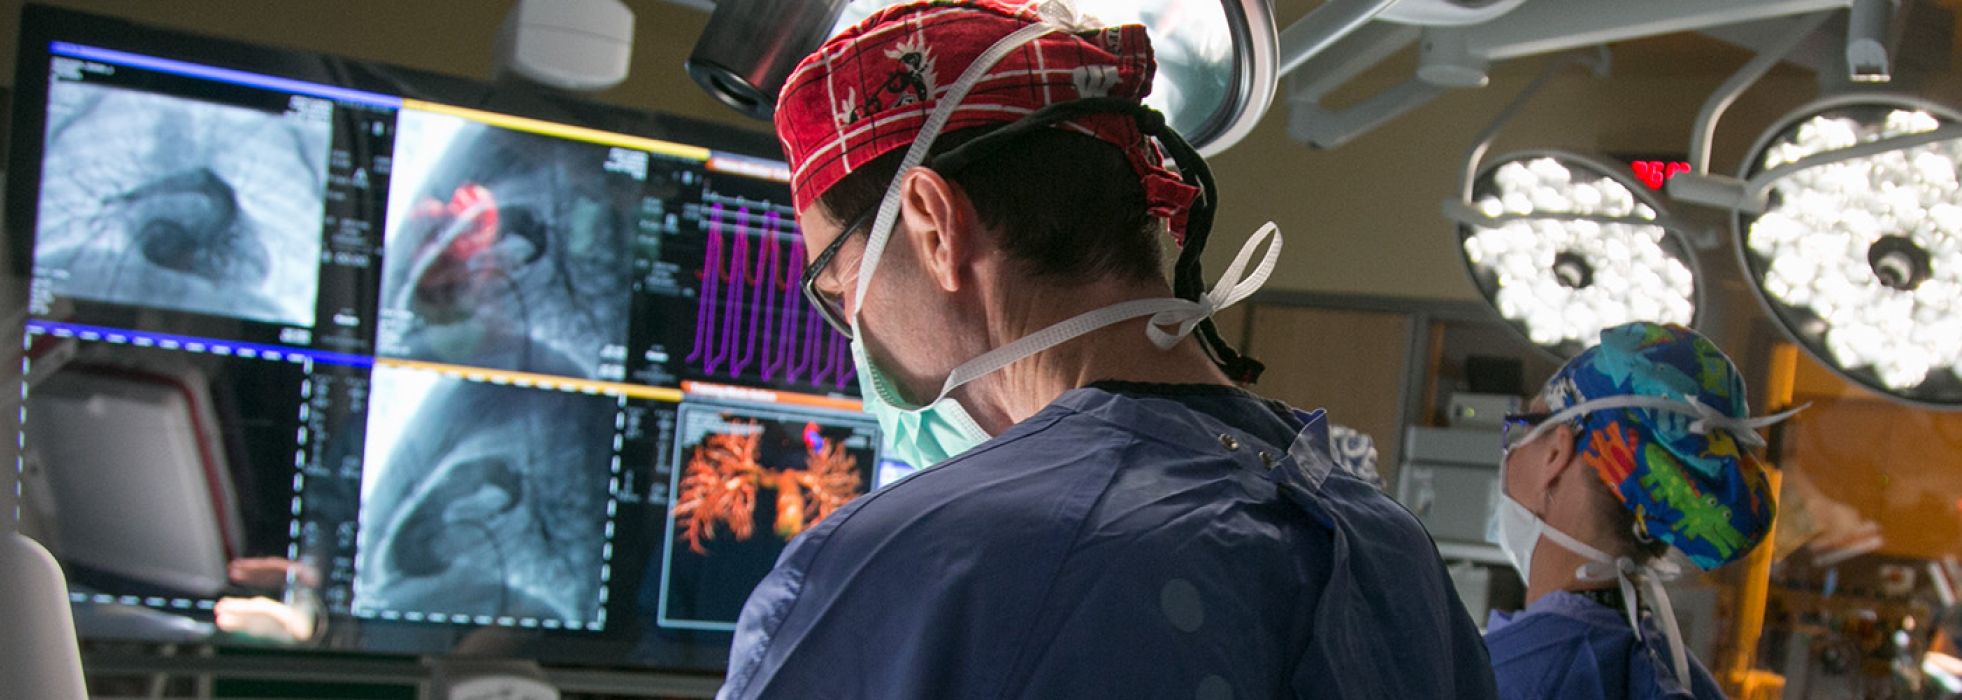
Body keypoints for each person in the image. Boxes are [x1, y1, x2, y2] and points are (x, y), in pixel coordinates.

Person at [717, 1, 1498, 697]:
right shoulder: (1389, 554)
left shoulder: (899, 574)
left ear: (931, 224)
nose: (854, 330)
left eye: (837, 283)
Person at [1485, 322, 1799, 699]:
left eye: (1526, 428)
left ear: (1555, 454)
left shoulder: (1520, 678)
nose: (1512, 453)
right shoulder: (1678, 675)